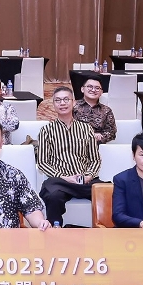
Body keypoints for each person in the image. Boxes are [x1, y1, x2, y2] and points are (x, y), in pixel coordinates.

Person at [37, 85, 102, 226]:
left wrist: (89, 176)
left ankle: (107, 232)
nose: (62, 103)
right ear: (53, 104)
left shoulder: (86, 128)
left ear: (74, 102)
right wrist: (63, 177)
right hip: (61, 181)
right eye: (58, 100)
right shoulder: (46, 131)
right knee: (52, 194)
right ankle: (56, 230)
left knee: (109, 192)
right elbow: (42, 162)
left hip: (85, 181)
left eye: (66, 99)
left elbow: (95, 159)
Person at [74, 77, 117, 143]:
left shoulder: (106, 110)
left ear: (101, 92)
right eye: (90, 87)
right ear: (82, 89)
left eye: (97, 88)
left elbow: (112, 132)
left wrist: (100, 137)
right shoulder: (73, 106)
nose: (93, 90)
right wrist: (88, 136)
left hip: (98, 146)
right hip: (76, 144)